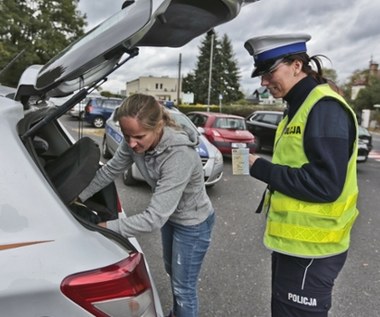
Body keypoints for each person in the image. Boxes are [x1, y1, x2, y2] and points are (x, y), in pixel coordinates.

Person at [243, 33, 359, 317]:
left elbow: (325, 185)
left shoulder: (323, 107)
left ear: (297, 65)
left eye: (269, 72)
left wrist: (260, 167)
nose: (263, 82)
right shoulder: (298, 106)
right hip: (297, 246)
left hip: (313, 250)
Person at [78, 93, 215, 317]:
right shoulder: (133, 140)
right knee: (172, 272)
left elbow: (153, 219)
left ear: (158, 125)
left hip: (193, 224)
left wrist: (102, 227)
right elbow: (110, 171)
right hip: (171, 217)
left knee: (184, 289)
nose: (132, 144)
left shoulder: (179, 155)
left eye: (139, 136)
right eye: (126, 135)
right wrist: (77, 197)